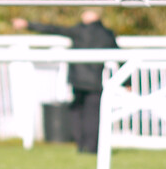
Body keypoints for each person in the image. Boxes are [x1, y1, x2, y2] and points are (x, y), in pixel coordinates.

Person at [12, 10, 118, 153]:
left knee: (77, 113)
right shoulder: (107, 34)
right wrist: (127, 81)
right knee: (93, 115)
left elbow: (53, 28)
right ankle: (92, 148)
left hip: (78, 80)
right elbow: (120, 56)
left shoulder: (79, 30)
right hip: (95, 81)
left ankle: (81, 145)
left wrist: (27, 24)